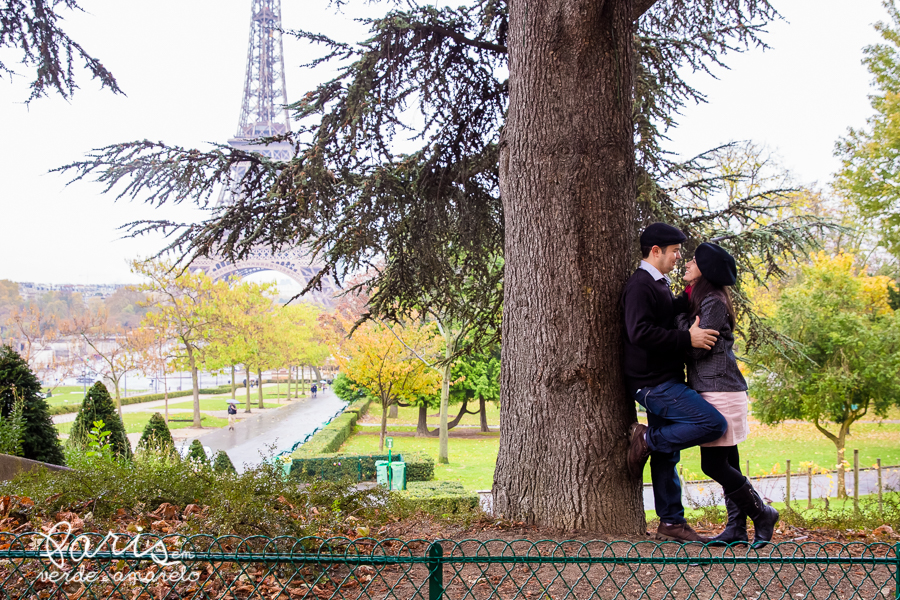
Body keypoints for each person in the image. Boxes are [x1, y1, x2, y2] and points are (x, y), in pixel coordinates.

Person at [623, 222, 728, 543]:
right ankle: (647, 439)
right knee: (713, 424)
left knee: (668, 456)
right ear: (656, 252)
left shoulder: (657, 283)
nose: (679, 257)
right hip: (653, 383)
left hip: (663, 378)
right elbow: (639, 332)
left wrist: (696, 288)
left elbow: (666, 311)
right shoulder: (641, 285)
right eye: (674, 252)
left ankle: (671, 523)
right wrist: (688, 337)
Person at [675, 242, 779, 547]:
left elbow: (696, 348)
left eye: (693, 260)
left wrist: (681, 326)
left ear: (705, 270)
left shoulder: (713, 301)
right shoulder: (698, 298)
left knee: (713, 464)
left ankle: (762, 513)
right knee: (729, 461)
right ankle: (736, 527)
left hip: (720, 389)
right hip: (713, 387)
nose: (686, 264)